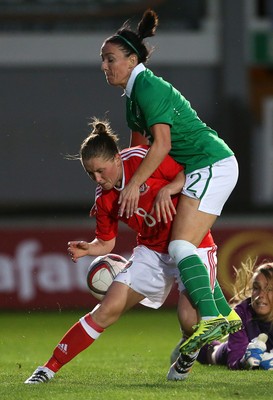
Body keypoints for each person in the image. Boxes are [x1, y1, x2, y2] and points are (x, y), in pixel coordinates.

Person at [24, 118, 236, 384]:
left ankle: (188, 348)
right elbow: (106, 242)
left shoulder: (142, 158)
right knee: (107, 309)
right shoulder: (104, 197)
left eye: (101, 171)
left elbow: (192, 171)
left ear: (116, 158)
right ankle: (48, 367)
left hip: (191, 242)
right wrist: (89, 249)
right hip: (151, 252)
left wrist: (168, 189)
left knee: (189, 321)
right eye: (91, 174)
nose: (98, 179)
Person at [100, 8, 240, 354]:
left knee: (179, 247)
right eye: (103, 60)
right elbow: (138, 150)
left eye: (111, 59)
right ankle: (225, 314)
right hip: (197, 169)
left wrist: (135, 186)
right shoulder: (133, 96)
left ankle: (210, 317)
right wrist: (151, 185)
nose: (105, 66)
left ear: (132, 60)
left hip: (212, 163)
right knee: (183, 246)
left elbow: (161, 145)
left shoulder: (147, 87)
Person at [196, 258, 273, 370]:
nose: (261, 294)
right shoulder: (241, 313)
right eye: (256, 288)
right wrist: (245, 360)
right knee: (208, 351)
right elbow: (234, 360)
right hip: (224, 351)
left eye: (270, 289)